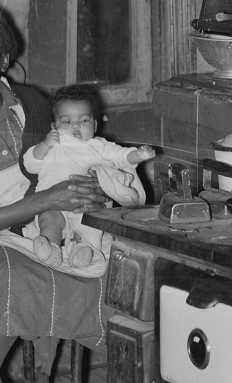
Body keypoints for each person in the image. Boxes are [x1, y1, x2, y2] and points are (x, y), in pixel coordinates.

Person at [0, 6, 110, 383]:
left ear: (4, 59)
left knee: (108, 265)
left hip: (42, 222)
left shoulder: (35, 105)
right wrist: (51, 200)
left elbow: (70, 163)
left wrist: (86, 189)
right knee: (12, 274)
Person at [22, 84, 155, 269]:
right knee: (48, 220)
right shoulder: (52, 145)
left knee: (90, 225)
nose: (75, 126)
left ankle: (82, 249)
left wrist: (138, 155)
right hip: (52, 204)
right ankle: (51, 249)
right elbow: (30, 163)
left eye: (83, 120)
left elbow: (121, 156)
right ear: (54, 126)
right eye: (66, 122)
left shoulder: (98, 146)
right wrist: (44, 145)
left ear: (94, 125)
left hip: (86, 206)